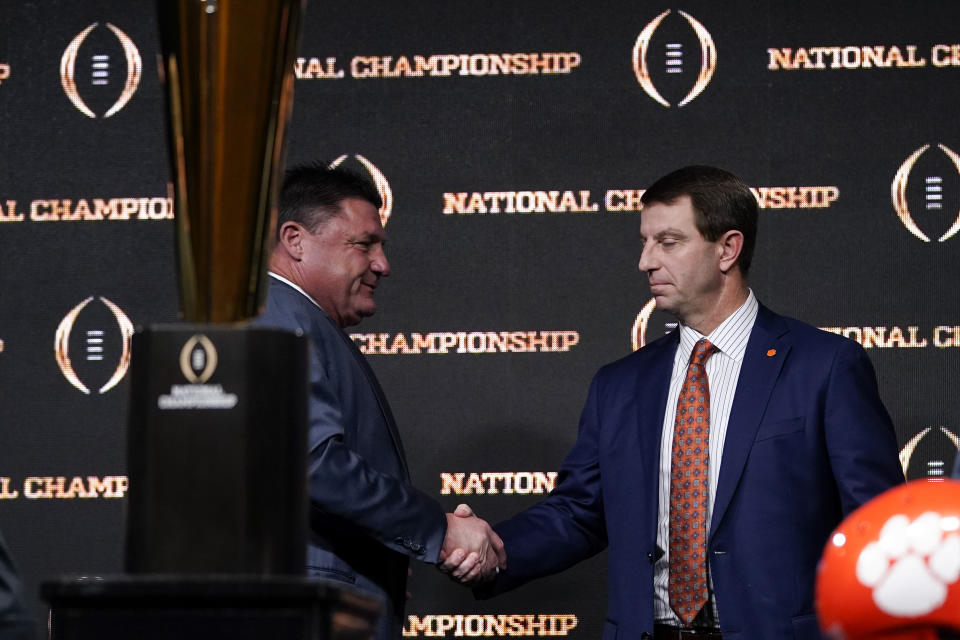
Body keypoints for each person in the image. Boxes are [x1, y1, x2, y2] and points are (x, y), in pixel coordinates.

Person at [444, 166, 903, 639]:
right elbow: (579, 512)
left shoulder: (824, 366)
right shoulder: (619, 384)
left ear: (727, 248)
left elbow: (879, 527)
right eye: (644, 242)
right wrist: (493, 549)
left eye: (668, 242)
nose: (645, 261)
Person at [257, 164, 504, 640]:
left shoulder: (300, 320)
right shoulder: (276, 316)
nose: (382, 264)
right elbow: (311, 464)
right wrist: (440, 530)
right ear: (295, 240)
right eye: (364, 244)